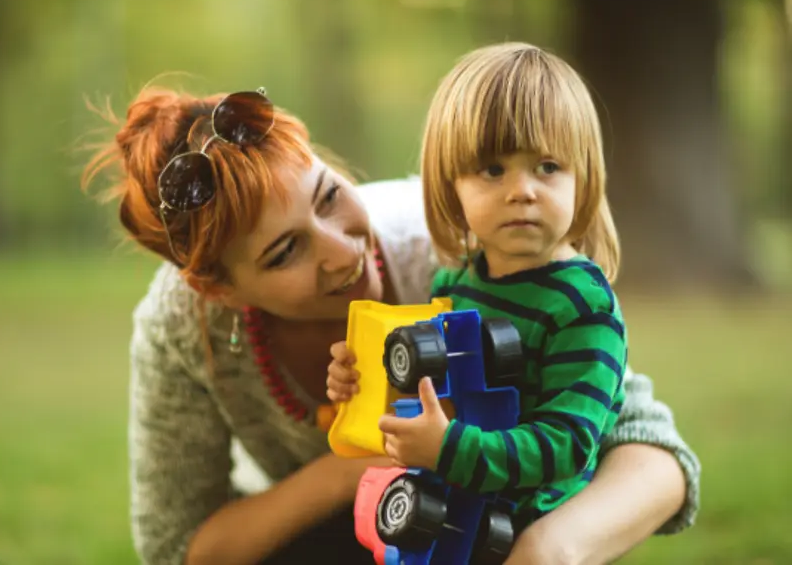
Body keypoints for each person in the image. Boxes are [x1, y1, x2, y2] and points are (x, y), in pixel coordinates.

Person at [81, 79, 700, 565]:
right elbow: (178, 549)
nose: (344, 250)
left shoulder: (460, 240)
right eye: (284, 252)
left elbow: (651, 448)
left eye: (328, 197)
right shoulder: (181, 329)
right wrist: (355, 459)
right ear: (220, 291)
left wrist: (552, 549)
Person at [328, 42, 631, 539]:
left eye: (548, 167)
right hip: (453, 508)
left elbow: (568, 443)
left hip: (531, 527)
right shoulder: (455, 281)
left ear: (584, 177)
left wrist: (449, 450)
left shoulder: (582, 305)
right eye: (493, 170)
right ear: (452, 188)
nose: (523, 190)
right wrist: (362, 383)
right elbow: (428, 391)